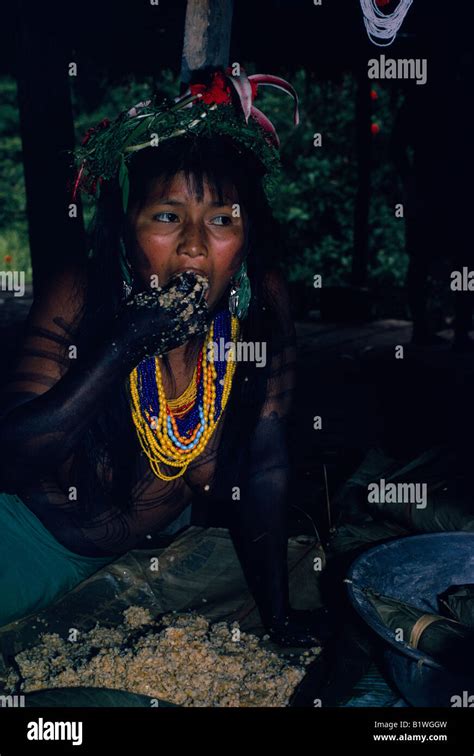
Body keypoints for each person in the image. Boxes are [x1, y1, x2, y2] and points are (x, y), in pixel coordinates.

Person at [0, 67, 326, 645]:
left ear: (246, 236)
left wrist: (277, 617)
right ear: (128, 228)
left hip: (138, 561)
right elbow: (13, 459)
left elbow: (267, 464)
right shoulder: (79, 292)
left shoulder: (262, 303)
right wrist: (124, 346)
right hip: (32, 544)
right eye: (168, 217)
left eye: (222, 220)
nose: (195, 245)